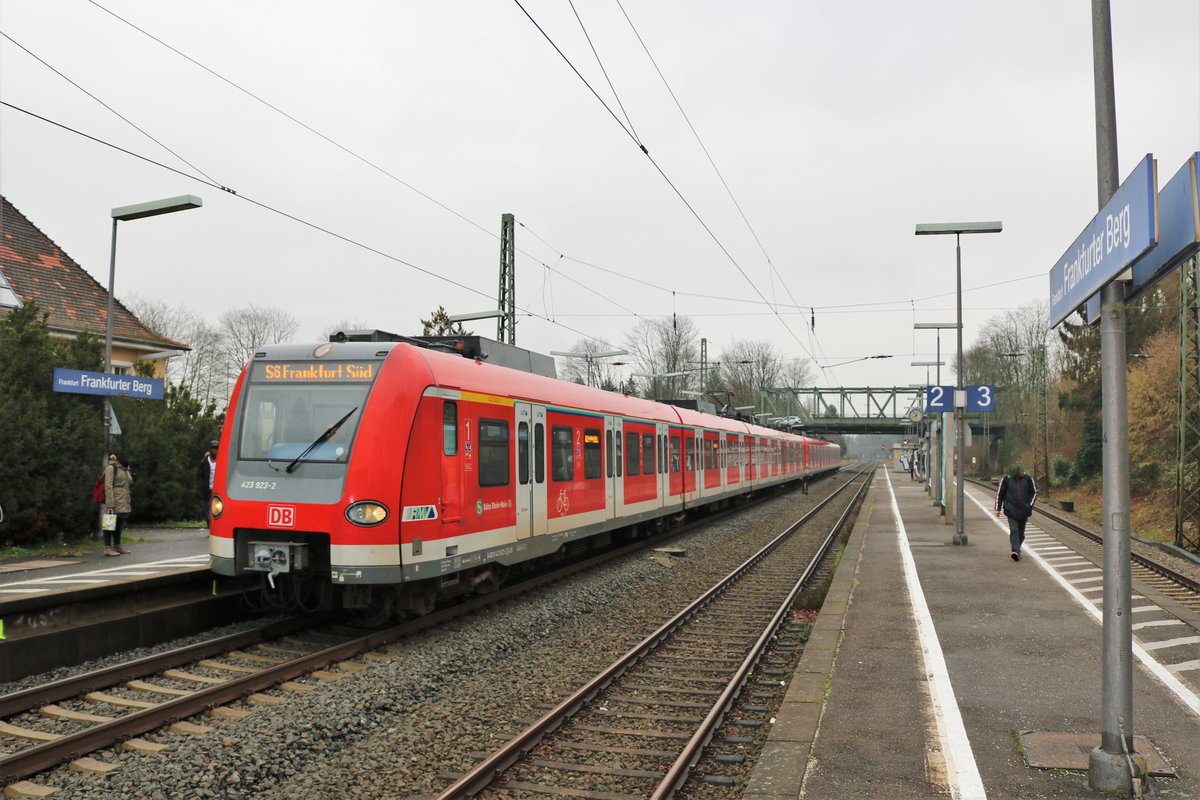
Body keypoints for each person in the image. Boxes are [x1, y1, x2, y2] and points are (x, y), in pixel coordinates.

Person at [995, 464, 1037, 561]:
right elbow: (1000, 494)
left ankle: (1017, 550)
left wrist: (1029, 505)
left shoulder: (1028, 479)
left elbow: (1034, 493)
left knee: (1021, 534)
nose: (1023, 473)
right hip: (1011, 510)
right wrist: (998, 508)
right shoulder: (1006, 479)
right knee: (1014, 530)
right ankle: (1015, 551)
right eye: (1021, 471)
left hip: (1024, 511)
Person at [103, 453, 133, 556]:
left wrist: (127, 469)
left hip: (123, 500)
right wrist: (110, 503)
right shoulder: (111, 468)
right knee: (109, 523)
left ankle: (117, 545)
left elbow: (129, 482)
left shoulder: (124, 469)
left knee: (119, 522)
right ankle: (107, 548)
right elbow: (108, 486)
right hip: (113, 500)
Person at [197, 440, 219, 524]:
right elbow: (199, 475)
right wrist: (202, 486)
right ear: (210, 449)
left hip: (218, 490)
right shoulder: (204, 462)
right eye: (213, 448)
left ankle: (216, 526)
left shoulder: (221, 461)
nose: (214, 450)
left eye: (216, 448)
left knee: (217, 509)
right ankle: (210, 525)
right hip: (207, 489)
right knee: (208, 508)